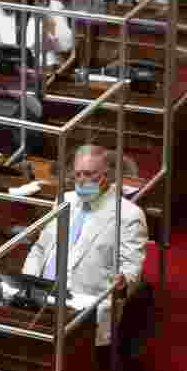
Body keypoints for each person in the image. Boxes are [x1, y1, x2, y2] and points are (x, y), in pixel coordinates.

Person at [22, 145, 147, 347]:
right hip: (42, 302)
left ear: (106, 175)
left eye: (88, 174)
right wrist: (27, 284)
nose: (81, 180)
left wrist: (124, 282)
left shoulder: (129, 215)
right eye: (77, 174)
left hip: (86, 313)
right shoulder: (65, 200)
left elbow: (132, 268)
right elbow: (40, 249)